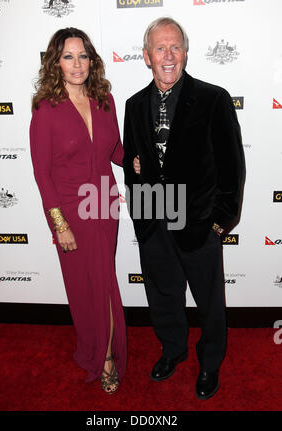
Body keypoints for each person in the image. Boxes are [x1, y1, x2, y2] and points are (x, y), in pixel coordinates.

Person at [124, 17, 245, 400]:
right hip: (153, 221)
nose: (169, 55)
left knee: (209, 302)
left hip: (199, 223)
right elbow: (131, 163)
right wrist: (140, 209)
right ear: (146, 57)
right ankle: (172, 349)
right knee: (162, 295)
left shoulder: (213, 99)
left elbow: (232, 167)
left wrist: (221, 222)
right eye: (160, 48)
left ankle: (210, 363)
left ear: (186, 53)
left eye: (176, 46)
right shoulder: (134, 105)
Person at [30, 27, 129, 393]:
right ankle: (97, 350)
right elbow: (42, 174)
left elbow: (113, 149)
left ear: (92, 60)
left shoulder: (104, 99)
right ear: (56, 62)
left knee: (103, 284)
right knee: (84, 289)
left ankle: (104, 355)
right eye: (69, 56)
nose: (77, 63)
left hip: (104, 203)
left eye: (83, 55)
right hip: (71, 212)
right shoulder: (45, 109)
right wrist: (60, 225)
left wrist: (138, 160)